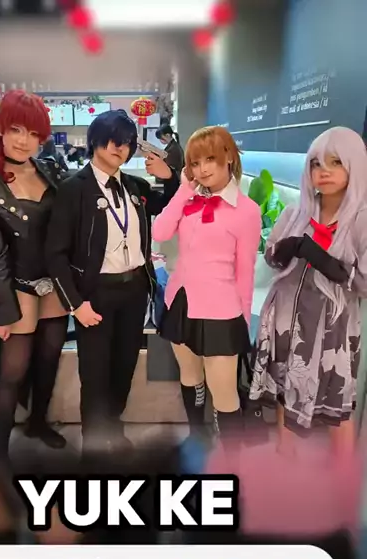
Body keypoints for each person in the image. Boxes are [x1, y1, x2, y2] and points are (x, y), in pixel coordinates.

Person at [46, 108, 179, 454]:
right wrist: (75, 304)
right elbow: (55, 253)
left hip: (134, 290)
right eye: (114, 141)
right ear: (95, 141)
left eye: (128, 143)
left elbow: (172, 207)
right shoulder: (72, 189)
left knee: (124, 367)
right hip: (95, 294)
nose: (121, 148)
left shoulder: (136, 187)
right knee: (95, 374)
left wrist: (171, 178)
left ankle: (113, 428)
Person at [249, 126, 367, 456]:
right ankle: (284, 457)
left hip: (332, 329)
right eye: (316, 163)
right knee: (284, 386)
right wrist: (283, 250)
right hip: (285, 318)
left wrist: (321, 258)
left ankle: (342, 473)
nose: (324, 171)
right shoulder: (295, 213)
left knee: (337, 404)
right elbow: (273, 258)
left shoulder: (361, 221)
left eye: (335, 162)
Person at [0, 90, 69, 459]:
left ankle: (38, 422)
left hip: (56, 283)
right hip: (17, 284)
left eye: (34, 133)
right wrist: (3, 306)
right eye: (17, 130)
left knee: (49, 360)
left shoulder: (52, 170)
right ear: (1, 129)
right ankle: (0, 452)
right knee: (12, 371)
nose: (25, 141)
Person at [151, 126, 261, 441]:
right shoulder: (189, 200)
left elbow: (246, 271)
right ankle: (196, 436)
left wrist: (242, 323)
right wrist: (183, 190)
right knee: (190, 377)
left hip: (221, 310)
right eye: (196, 163)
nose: (202, 169)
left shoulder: (247, 211)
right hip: (180, 301)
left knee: (224, 393)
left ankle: (231, 459)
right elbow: (159, 233)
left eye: (210, 159)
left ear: (229, 157)